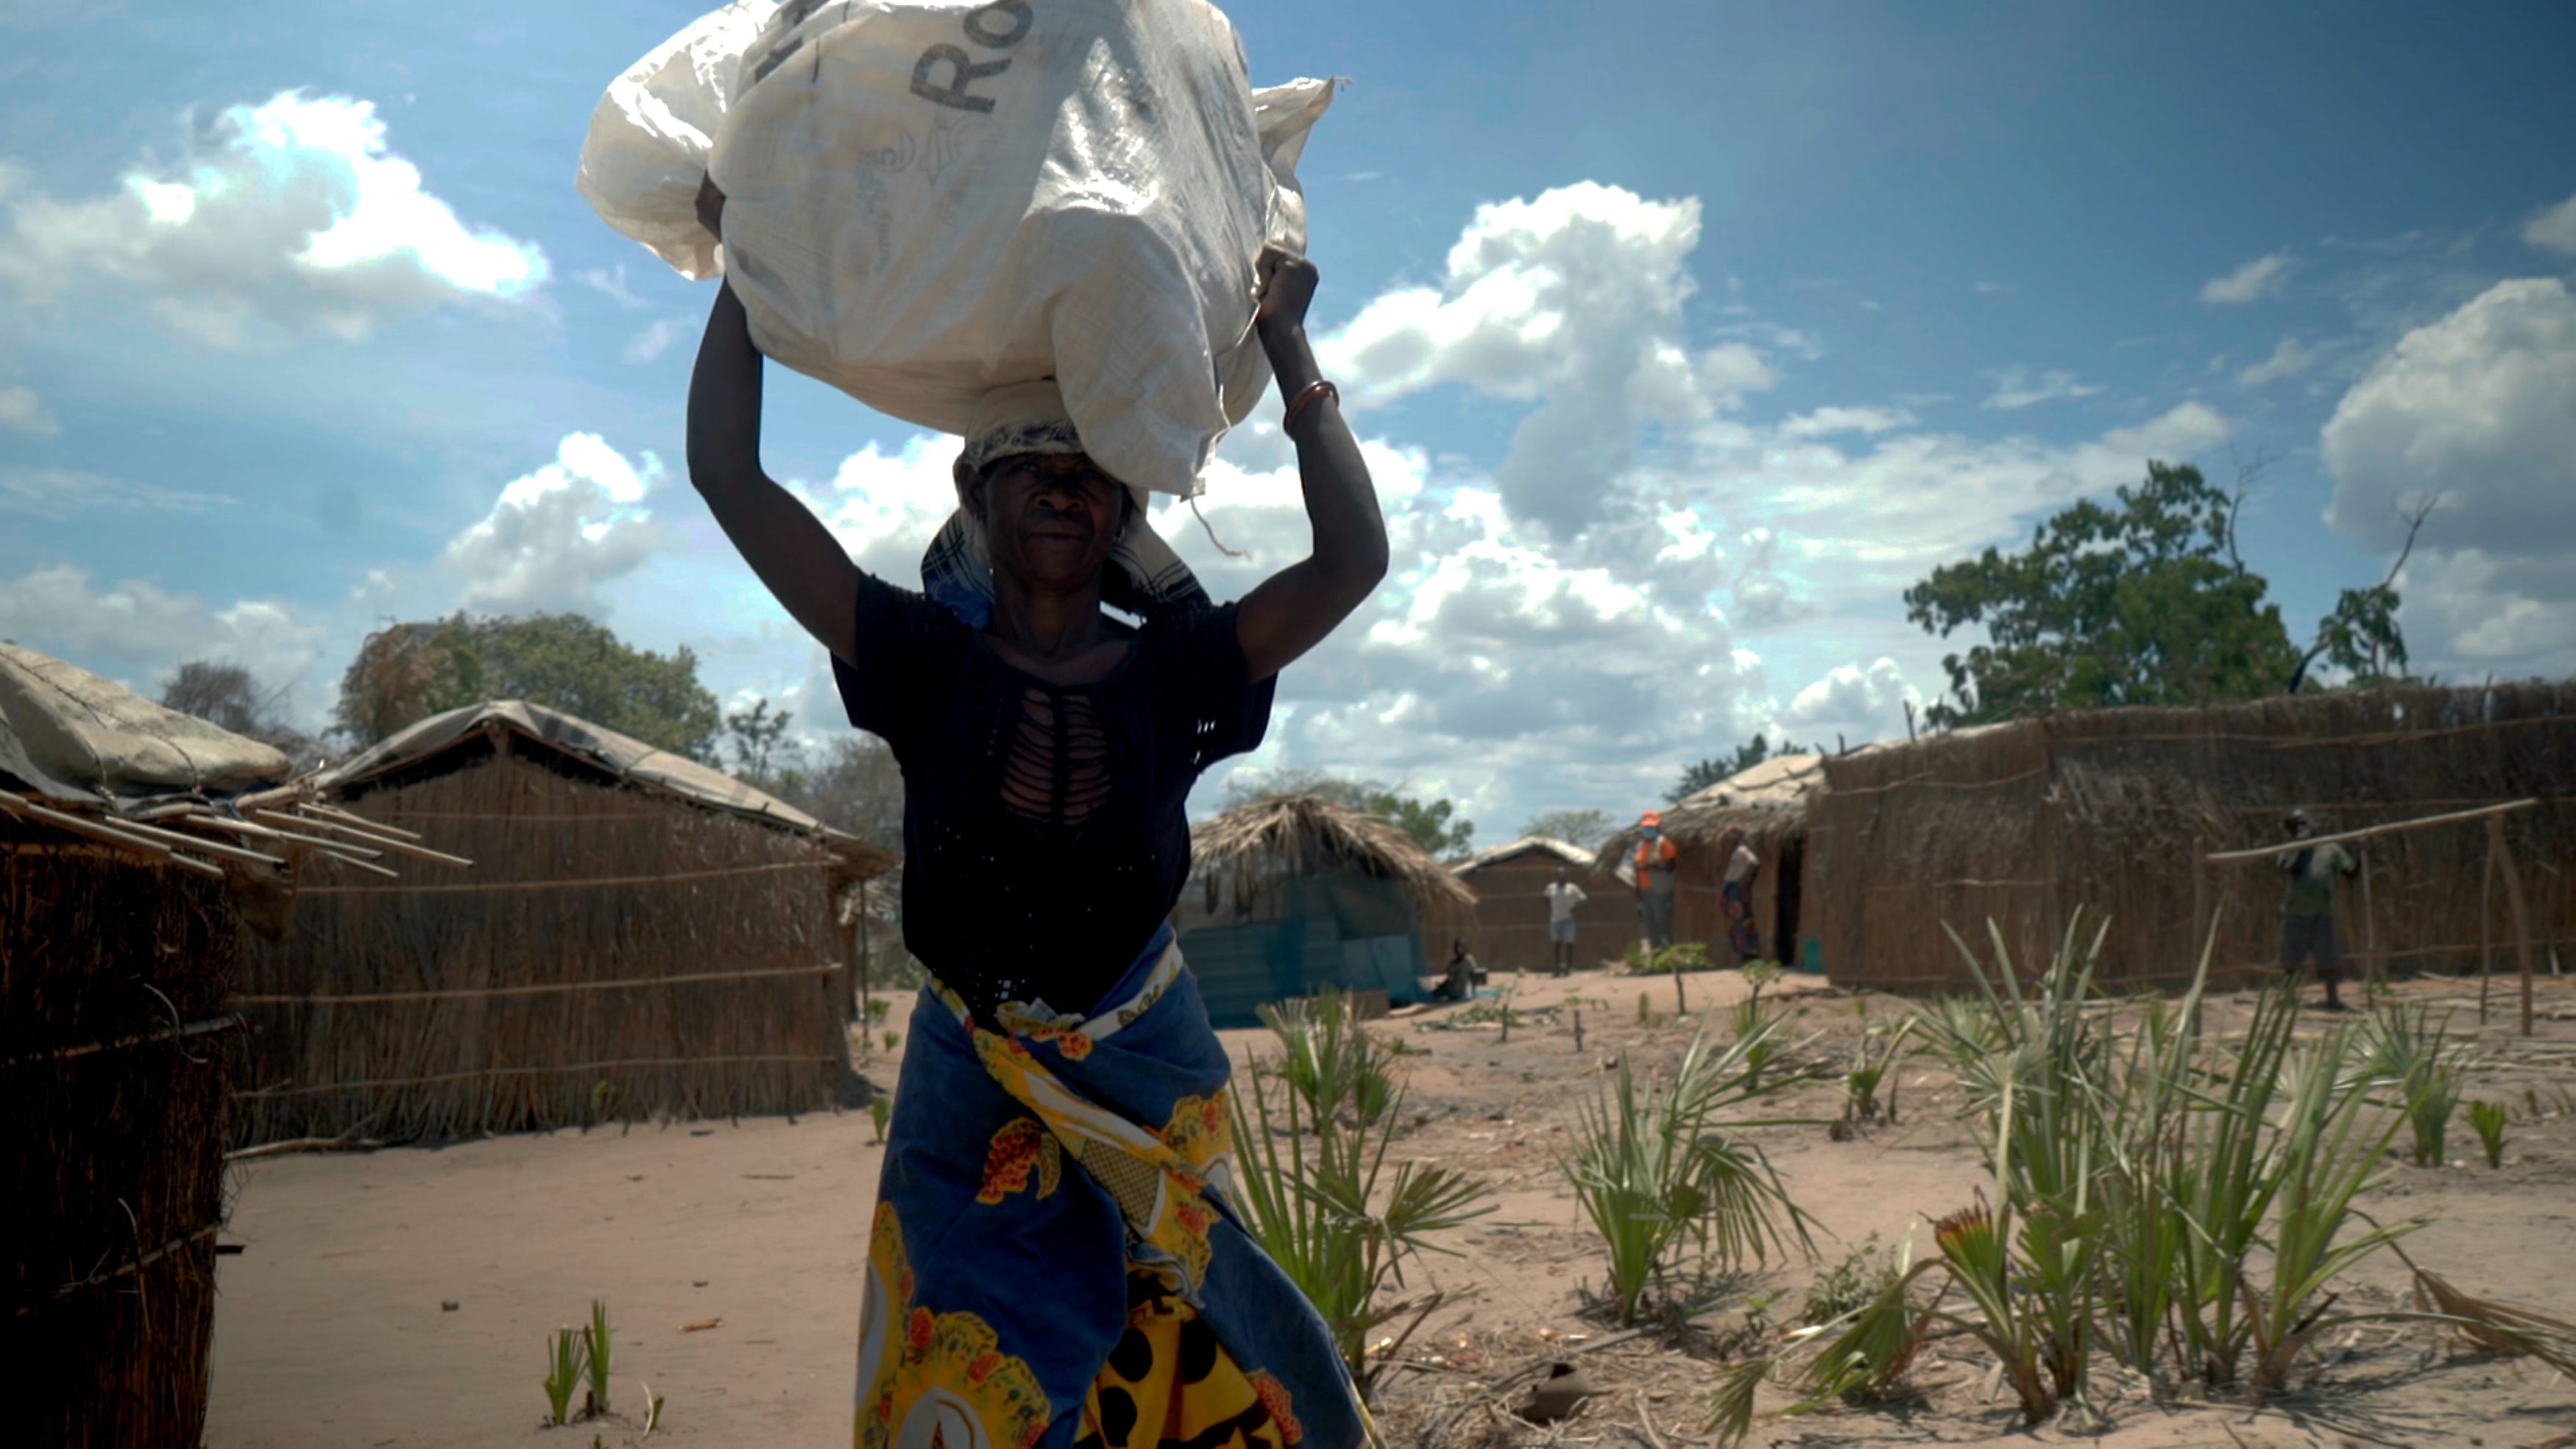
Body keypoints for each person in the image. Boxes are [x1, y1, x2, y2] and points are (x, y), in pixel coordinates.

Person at [688, 180, 1384, 1448]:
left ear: (1125, 511)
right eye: (1033, 470)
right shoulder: (915, 657)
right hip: (973, 1063)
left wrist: (1288, 341)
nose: (1066, 492)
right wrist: (749, 263)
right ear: (977, 493)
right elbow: (727, 473)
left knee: (1192, 1347)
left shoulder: (1179, 671)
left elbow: (1352, 563)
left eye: (1093, 476)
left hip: (1143, 1054)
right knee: (963, 1353)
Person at [2277, 807, 2359, 1012]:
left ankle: (2332, 999)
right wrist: (2300, 846)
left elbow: (2350, 873)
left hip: (2322, 914)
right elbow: (2288, 869)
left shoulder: (2330, 848)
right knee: (2291, 960)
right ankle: (2289, 998)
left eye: (2304, 823)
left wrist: (2360, 853)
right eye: (2296, 826)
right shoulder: (2290, 849)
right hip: (2295, 913)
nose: (2302, 828)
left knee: (2328, 958)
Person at [1632, 810, 1680, 953]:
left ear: (1658, 827)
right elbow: (1636, 868)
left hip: (1660, 890)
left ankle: (1668, 958)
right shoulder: (1640, 846)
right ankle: (1657, 957)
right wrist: (1637, 889)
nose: (1648, 830)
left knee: (1663, 923)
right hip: (1645, 891)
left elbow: (1671, 866)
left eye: (1651, 827)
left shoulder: (1664, 844)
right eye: (1646, 828)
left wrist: (1649, 866)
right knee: (1650, 925)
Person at [1719, 827, 1762, 964]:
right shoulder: (1738, 851)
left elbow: (1753, 862)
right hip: (1732, 888)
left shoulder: (1742, 850)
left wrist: (1744, 881)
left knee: (1741, 921)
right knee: (1737, 921)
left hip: (1735, 889)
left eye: (1731, 836)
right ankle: (1745, 953)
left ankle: (1748, 954)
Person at [1543, 865, 1588, 976]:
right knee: (1557, 944)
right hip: (1555, 920)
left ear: (1566, 876)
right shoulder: (1551, 888)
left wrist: (1575, 909)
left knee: (1569, 944)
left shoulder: (1572, 888)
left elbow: (1584, 899)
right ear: (1555, 876)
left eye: (1563, 874)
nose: (1561, 876)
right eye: (1559, 874)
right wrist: (1551, 908)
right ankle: (1557, 968)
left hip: (1568, 920)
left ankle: (1568, 967)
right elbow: (1545, 897)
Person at [1432, 938, 1482, 1002]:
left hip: (1452, 992)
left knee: (1432, 996)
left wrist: (1441, 987)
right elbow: (1472, 975)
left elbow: (1449, 981)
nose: (1458, 949)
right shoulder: (1469, 959)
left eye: (1460, 947)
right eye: (1457, 947)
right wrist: (1474, 992)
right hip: (1461, 993)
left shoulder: (1455, 964)